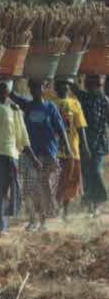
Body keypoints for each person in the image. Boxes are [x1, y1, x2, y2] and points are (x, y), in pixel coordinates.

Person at [0, 81, 39, 235]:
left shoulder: (14, 109)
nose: (2, 91)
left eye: (5, 89)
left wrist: (33, 158)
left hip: (8, 153)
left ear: (8, 92)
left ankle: (2, 226)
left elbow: (22, 136)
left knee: (5, 191)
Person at [11, 79, 71, 232]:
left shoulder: (51, 107)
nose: (36, 90)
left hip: (48, 153)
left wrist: (68, 148)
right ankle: (32, 221)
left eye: (39, 87)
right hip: (31, 153)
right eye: (33, 88)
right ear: (30, 90)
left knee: (45, 188)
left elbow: (61, 129)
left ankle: (42, 221)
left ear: (44, 88)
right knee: (31, 188)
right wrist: (10, 77)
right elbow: (11, 94)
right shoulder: (27, 105)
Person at [51, 79, 90, 221]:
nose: (63, 90)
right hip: (54, 148)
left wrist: (84, 146)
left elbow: (81, 126)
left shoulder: (75, 103)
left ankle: (65, 212)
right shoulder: (51, 102)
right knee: (55, 180)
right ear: (56, 89)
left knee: (70, 180)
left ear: (69, 89)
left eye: (66, 88)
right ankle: (55, 208)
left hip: (72, 148)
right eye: (60, 87)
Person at [70, 75, 109, 217]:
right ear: (87, 86)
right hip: (84, 143)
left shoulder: (104, 101)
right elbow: (71, 86)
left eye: (97, 85)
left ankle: (97, 201)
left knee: (96, 171)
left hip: (99, 144)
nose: (94, 88)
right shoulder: (83, 97)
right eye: (91, 85)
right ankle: (90, 204)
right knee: (86, 174)